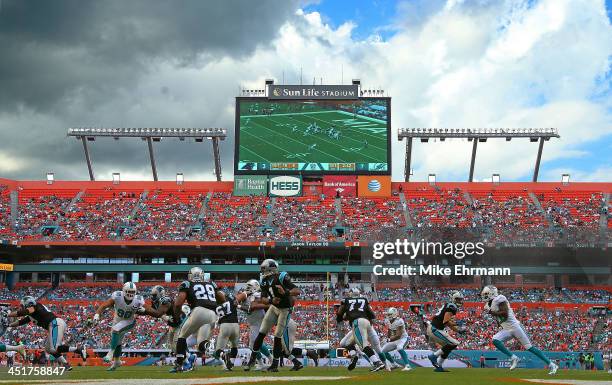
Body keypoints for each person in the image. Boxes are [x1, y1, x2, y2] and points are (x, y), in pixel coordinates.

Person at [481, 285, 558, 375]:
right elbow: (499, 318)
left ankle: (552, 365)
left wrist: (492, 313)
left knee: (529, 347)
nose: (484, 296)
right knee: (495, 340)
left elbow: (505, 314)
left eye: (486, 294)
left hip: (515, 327)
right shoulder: (487, 305)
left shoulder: (500, 299)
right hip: (506, 328)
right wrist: (498, 322)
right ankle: (514, 357)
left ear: (492, 293)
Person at [245, 259, 301, 372]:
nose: (262, 271)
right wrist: (271, 300)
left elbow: (297, 290)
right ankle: (252, 359)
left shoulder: (282, 276)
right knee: (261, 332)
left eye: (264, 268)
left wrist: (286, 292)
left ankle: (275, 365)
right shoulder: (264, 280)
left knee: (277, 337)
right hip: (274, 308)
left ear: (271, 268)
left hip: (285, 310)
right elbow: (263, 299)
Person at [9, 296, 86, 370]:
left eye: (23, 306)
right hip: (54, 325)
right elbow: (20, 322)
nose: (22, 307)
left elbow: (23, 312)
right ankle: (66, 364)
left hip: (55, 323)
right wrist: (9, 325)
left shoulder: (36, 306)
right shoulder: (31, 315)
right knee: (49, 349)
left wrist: (8, 314)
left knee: (55, 347)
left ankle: (79, 350)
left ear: (28, 303)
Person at [172, 267, 225, 373]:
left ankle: (179, 364)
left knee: (181, 337)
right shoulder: (211, 283)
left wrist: (176, 317)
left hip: (199, 311)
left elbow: (178, 303)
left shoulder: (187, 284)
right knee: (201, 345)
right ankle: (215, 350)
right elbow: (222, 299)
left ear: (190, 276)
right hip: (213, 314)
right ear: (202, 275)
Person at [93, 282, 144, 371]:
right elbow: (104, 305)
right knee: (118, 342)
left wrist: (144, 310)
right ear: (123, 291)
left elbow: (147, 309)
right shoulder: (117, 296)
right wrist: (97, 314)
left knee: (116, 330)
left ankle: (110, 353)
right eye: (128, 291)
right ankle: (117, 362)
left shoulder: (138, 299)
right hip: (117, 320)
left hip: (129, 321)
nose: (130, 294)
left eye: (132, 292)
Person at [337, 287, 386, 372]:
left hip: (358, 323)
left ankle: (377, 362)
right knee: (345, 343)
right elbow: (372, 315)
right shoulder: (364, 300)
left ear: (351, 294)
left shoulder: (346, 301)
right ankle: (353, 356)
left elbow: (340, 315)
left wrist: (341, 311)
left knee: (363, 345)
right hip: (367, 323)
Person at [426, 291, 465, 372]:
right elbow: (446, 321)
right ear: (454, 299)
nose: (460, 301)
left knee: (448, 348)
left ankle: (439, 366)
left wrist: (458, 330)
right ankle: (433, 356)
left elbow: (447, 323)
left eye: (460, 300)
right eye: (458, 299)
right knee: (454, 343)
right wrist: (457, 323)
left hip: (435, 328)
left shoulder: (449, 305)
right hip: (435, 329)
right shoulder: (451, 306)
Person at [213, 293, 240, 370]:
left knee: (218, 351)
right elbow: (237, 302)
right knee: (234, 347)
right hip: (235, 325)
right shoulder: (230, 298)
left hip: (225, 325)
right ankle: (231, 364)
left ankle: (224, 355)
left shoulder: (215, 303)